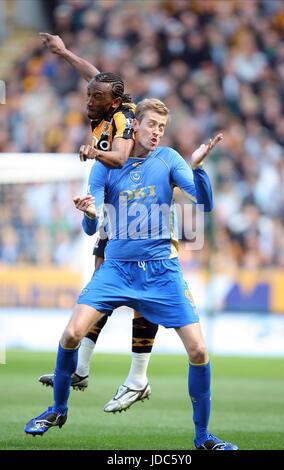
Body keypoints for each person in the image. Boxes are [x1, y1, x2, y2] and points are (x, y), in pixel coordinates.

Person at [25, 97, 238, 450]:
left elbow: (205, 204)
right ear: (134, 125)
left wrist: (199, 168)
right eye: (152, 125)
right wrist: (91, 213)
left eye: (162, 128)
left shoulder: (169, 159)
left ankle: (203, 438)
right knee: (71, 333)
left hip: (162, 272)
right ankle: (57, 409)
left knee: (199, 351)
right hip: (117, 269)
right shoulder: (106, 166)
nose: (157, 133)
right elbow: (91, 227)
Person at [38, 33, 158, 412]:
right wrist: (64, 51)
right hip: (120, 211)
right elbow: (95, 75)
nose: (89, 101)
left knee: (144, 298)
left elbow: (121, 157)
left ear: (115, 102)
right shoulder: (111, 103)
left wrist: (94, 150)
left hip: (145, 205)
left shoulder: (122, 119)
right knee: (99, 292)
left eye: (96, 98)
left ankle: (137, 376)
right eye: (90, 96)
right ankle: (83, 369)